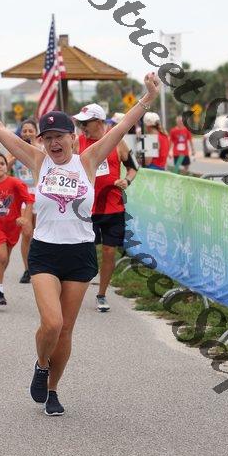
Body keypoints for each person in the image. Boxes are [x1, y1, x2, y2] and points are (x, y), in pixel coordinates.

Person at [0, 72, 159, 415]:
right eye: (47, 138)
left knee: (65, 331)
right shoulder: (38, 161)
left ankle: (52, 390)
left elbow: (122, 127)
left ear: (73, 137)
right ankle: (41, 364)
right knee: (52, 323)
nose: (52, 143)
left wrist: (148, 97)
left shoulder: (88, 160)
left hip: (80, 254)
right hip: (46, 252)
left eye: (59, 136)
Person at [74, 105, 139, 313]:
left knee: (109, 252)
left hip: (112, 206)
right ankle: (75, 290)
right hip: (86, 208)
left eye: (86, 123)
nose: (82, 127)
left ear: (99, 122)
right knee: (85, 253)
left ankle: (101, 294)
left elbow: (133, 167)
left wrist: (126, 181)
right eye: (80, 123)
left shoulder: (117, 141)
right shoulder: (78, 142)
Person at [0, 153, 34, 305]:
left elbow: (29, 200)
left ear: (7, 166)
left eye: (2, 163)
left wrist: (26, 219)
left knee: (5, 258)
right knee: (2, 256)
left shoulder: (15, 182)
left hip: (12, 226)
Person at [6, 118, 43, 283]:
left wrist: (34, 146)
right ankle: (28, 269)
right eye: (24, 131)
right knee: (27, 232)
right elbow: (5, 167)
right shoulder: (15, 150)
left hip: (40, 193)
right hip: (23, 194)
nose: (27, 133)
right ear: (20, 133)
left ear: (36, 132)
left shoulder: (42, 148)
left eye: (30, 131)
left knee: (39, 232)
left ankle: (41, 267)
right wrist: (15, 156)